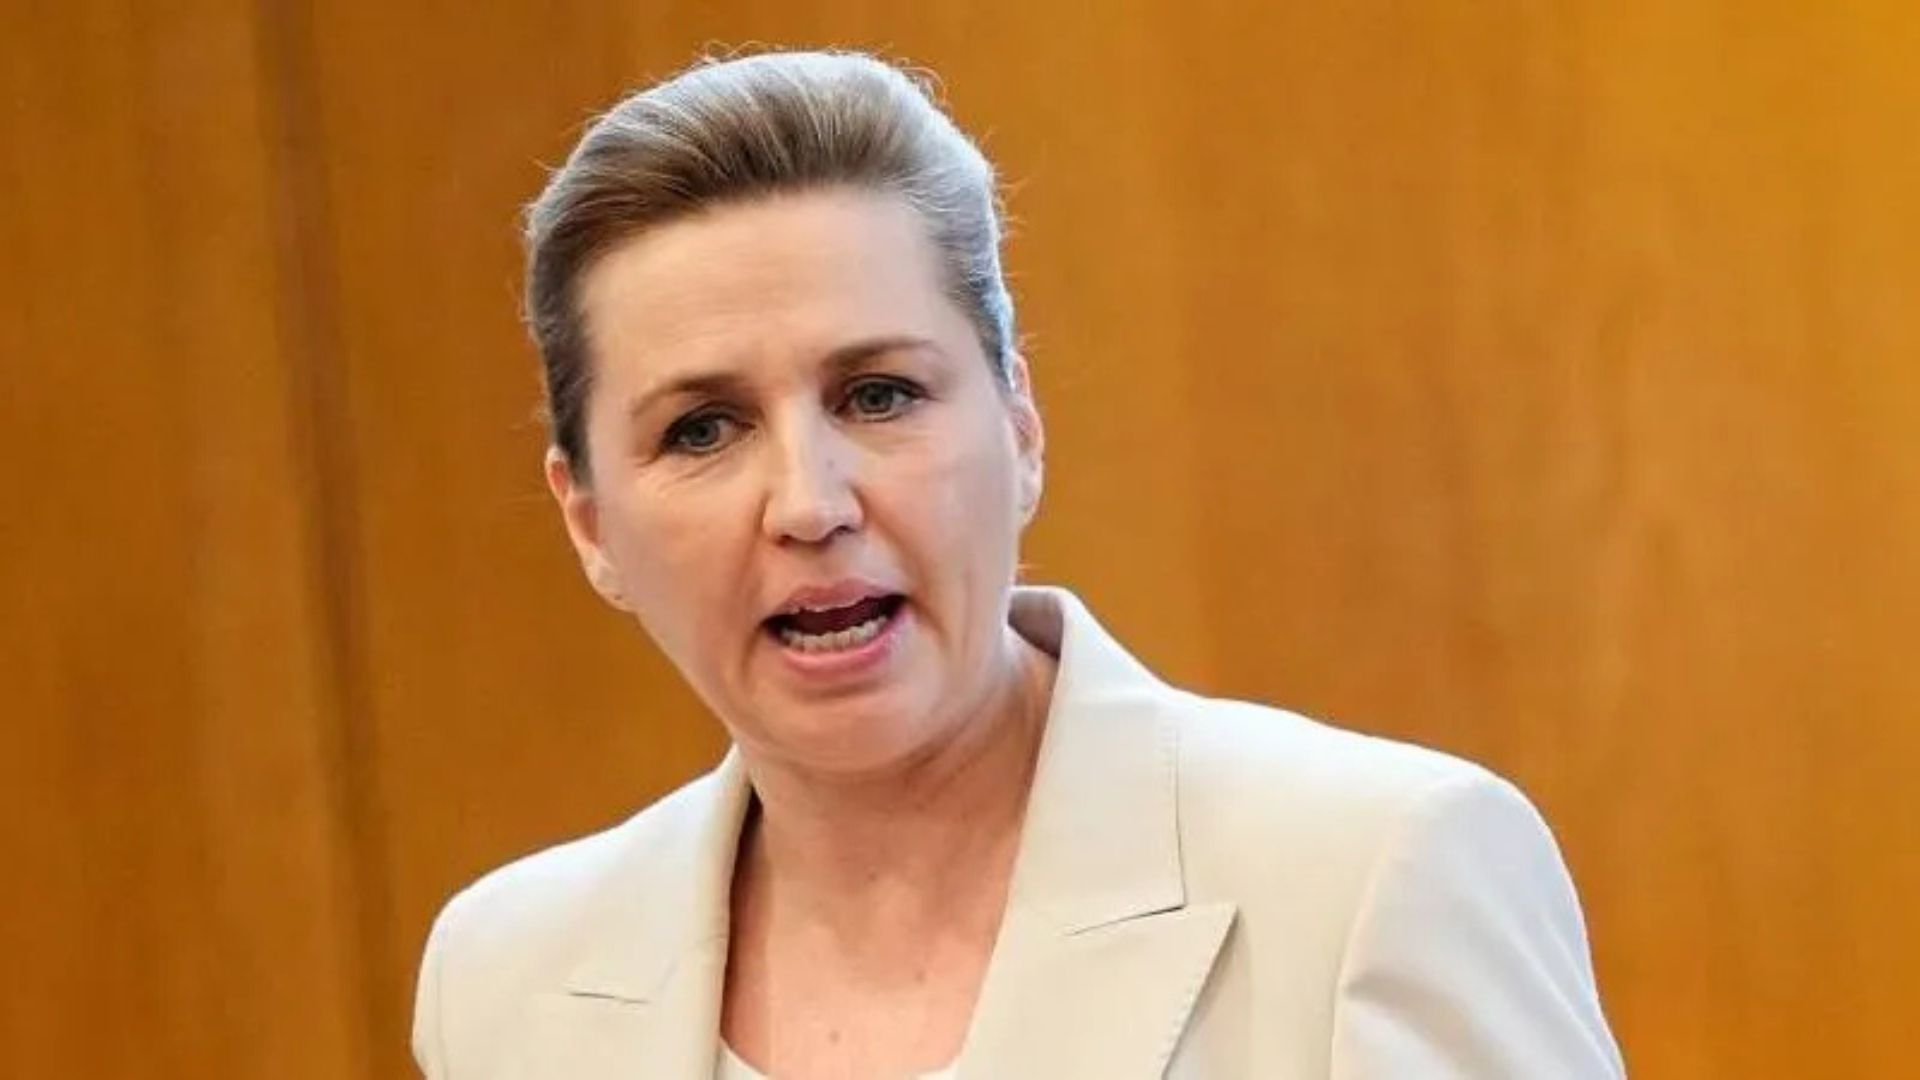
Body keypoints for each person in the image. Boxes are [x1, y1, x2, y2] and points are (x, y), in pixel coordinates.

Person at [410, 50, 1624, 1079]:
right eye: (702, 429)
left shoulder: (1375, 872)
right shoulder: (504, 981)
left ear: (1021, 426)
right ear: (590, 524)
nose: (812, 504)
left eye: (879, 395)